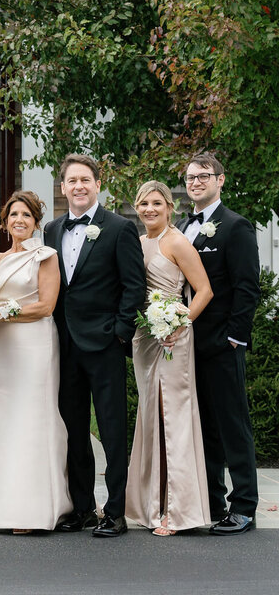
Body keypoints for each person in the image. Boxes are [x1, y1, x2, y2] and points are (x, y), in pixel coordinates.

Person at [45, 153, 146, 538]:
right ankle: (83, 507)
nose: (79, 187)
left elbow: (134, 286)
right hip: (64, 345)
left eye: (86, 180)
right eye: (72, 181)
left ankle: (115, 511)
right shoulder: (52, 229)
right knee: (73, 430)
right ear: (63, 187)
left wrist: (119, 332)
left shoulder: (120, 228)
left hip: (104, 344)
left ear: (97, 184)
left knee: (111, 428)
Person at [179, 152, 261, 535]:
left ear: (220, 180)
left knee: (232, 425)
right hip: (186, 344)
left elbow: (247, 288)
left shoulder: (236, 226)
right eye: (190, 177)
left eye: (203, 176)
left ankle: (243, 506)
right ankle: (212, 502)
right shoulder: (182, 227)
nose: (196, 182)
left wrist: (234, 338)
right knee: (204, 426)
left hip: (222, 345)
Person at [126, 181, 213, 535]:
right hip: (145, 336)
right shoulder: (139, 242)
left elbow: (205, 290)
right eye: (144, 203)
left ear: (169, 208)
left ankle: (176, 512)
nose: (149, 209)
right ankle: (151, 504)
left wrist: (180, 322)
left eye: (157, 203)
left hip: (173, 337)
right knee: (150, 417)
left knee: (172, 417)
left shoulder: (176, 241)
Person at [0, 191, 71, 533]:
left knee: (34, 418)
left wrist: (3, 313)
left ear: (36, 222)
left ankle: (36, 510)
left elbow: (47, 305)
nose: (19, 220)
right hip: (4, 346)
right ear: (5, 222)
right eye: (13, 215)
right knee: (8, 418)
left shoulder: (46, 256)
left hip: (35, 344)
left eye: (26, 216)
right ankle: (6, 506)